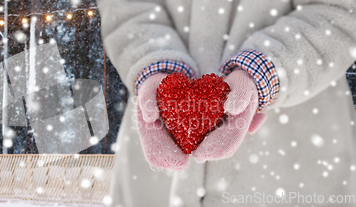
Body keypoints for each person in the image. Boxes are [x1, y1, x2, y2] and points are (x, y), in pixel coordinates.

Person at [97, 0, 356, 206]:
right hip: (155, 178)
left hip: (292, 161)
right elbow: (125, 8)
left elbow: (341, 11)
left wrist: (266, 68)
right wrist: (152, 63)